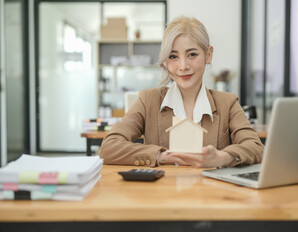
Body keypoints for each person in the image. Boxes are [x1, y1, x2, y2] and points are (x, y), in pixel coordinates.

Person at [99, 16, 264, 168]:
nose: (183, 66)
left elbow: (256, 147)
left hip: (211, 195)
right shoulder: (148, 100)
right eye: (173, 56)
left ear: (208, 55)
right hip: (163, 195)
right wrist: (163, 156)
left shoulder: (227, 103)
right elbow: (109, 147)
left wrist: (222, 157)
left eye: (192, 54)